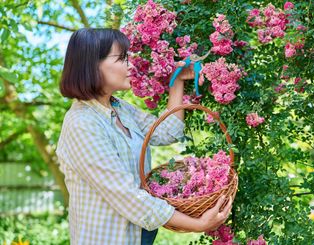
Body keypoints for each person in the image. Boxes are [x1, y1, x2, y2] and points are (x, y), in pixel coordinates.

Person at [56, 28, 232, 245]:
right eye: (121, 58)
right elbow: (126, 195)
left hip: (141, 234)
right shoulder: (82, 124)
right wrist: (198, 224)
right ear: (92, 64)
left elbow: (167, 131)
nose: (130, 65)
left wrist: (177, 82)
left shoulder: (120, 109)